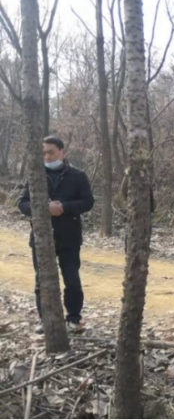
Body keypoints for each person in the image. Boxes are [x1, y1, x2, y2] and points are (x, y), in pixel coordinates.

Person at [17, 136, 95, 334]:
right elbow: (22, 203)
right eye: (43, 153)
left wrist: (64, 207)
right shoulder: (35, 175)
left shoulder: (77, 175)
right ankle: (46, 320)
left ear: (62, 152)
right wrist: (43, 207)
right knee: (41, 281)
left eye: (51, 152)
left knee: (72, 279)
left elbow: (88, 202)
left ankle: (74, 319)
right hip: (41, 237)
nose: (47, 156)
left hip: (69, 236)